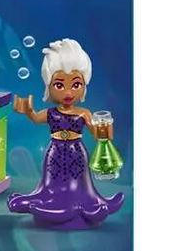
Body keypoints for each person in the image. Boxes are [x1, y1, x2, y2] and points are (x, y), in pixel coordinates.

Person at [7, 38, 124, 228]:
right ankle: (51, 203)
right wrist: (27, 110)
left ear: (84, 85)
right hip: (54, 152)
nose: (68, 92)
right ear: (49, 86)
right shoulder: (51, 113)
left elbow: (98, 135)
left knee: (79, 183)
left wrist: (105, 130)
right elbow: (36, 118)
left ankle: (84, 204)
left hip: (76, 152)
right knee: (52, 182)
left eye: (76, 85)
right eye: (60, 85)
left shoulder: (84, 113)